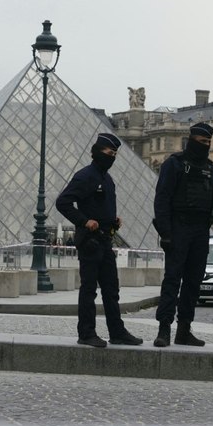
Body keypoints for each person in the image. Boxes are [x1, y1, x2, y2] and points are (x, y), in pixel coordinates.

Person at [55, 133, 143, 348]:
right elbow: (62, 202)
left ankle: (117, 332)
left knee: (112, 289)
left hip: (105, 240)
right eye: (109, 153)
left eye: (114, 154)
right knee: (89, 289)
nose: (112, 157)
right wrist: (84, 221)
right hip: (90, 241)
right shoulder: (85, 176)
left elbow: (101, 206)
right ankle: (86, 333)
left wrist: (114, 221)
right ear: (97, 152)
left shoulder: (107, 179)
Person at [152, 122, 213, 347]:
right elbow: (162, 200)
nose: (205, 145)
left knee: (193, 283)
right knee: (172, 280)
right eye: (202, 142)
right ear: (192, 139)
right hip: (179, 228)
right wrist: (165, 233)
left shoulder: (211, 170)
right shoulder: (174, 164)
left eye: (208, 143)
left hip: (200, 231)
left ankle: (184, 328)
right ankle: (164, 328)